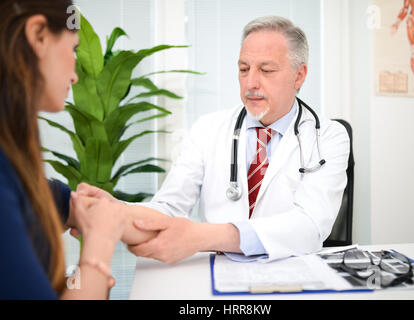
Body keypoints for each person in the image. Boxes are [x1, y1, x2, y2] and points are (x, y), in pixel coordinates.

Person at [77, 16, 350, 264]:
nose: (251, 82)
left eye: (266, 70)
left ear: (299, 75)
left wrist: (202, 236)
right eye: (244, 69)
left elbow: (311, 224)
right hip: (215, 273)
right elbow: (169, 207)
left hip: (293, 273)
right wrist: (117, 211)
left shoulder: (328, 137)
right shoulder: (208, 128)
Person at [0, 0, 155, 299]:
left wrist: (210, 238)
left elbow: (90, 210)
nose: (75, 76)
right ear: (39, 35)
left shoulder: (17, 168)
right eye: (73, 49)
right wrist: (97, 249)